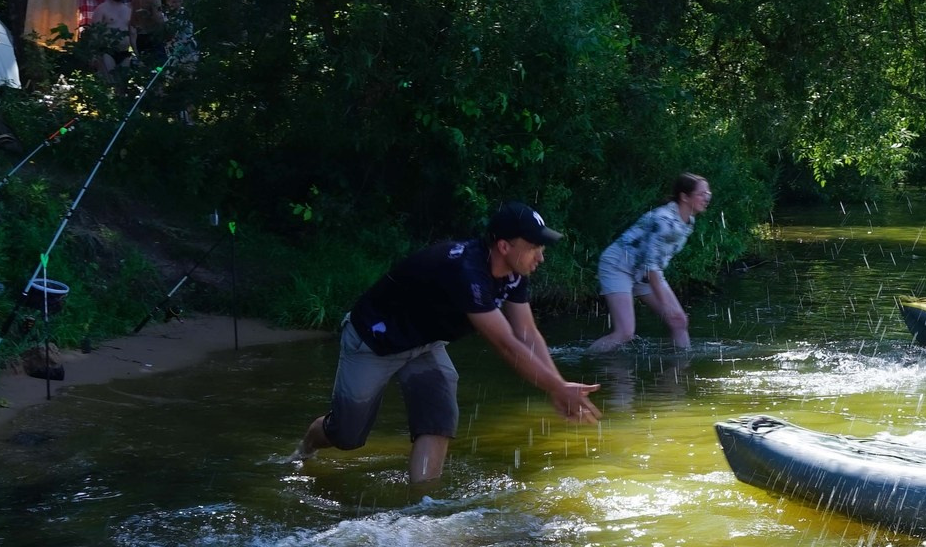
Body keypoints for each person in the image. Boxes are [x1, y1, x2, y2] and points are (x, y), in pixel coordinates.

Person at [299, 202, 603, 485]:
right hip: (374, 341)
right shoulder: (466, 273)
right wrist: (556, 387)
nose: (541, 256)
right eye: (534, 247)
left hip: (425, 344)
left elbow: (527, 333)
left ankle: (422, 507)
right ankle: (306, 447)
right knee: (347, 436)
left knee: (438, 420)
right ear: (504, 246)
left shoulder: (514, 272)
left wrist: (559, 385)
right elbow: (506, 344)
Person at [590, 173, 710, 352]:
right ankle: (586, 359)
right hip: (618, 265)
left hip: (643, 271)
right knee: (625, 333)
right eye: (701, 193)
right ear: (684, 197)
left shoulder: (688, 221)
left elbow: (652, 265)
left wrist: (670, 309)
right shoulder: (663, 221)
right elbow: (650, 266)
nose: (707, 197)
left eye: (708, 192)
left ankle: (681, 370)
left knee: (679, 321)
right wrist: (666, 305)